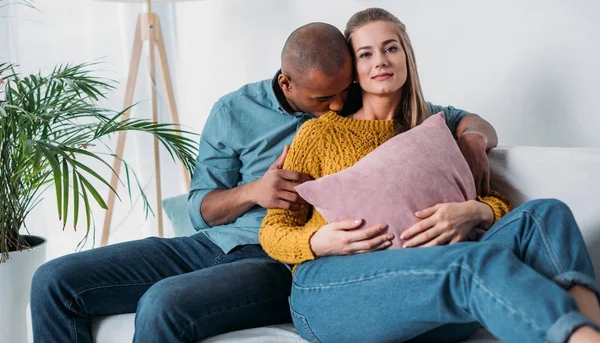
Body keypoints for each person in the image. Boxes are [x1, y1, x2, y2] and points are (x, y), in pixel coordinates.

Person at [30, 22, 498, 343]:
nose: (336, 106)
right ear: (287, 83)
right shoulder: (235, 111)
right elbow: (199, 208)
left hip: (277, 257)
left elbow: (457, 119)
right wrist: (254, 191)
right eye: (321, 97)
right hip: (212, 242)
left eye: (342, 92)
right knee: (53, 280)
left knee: (164, 304)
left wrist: (474, 142)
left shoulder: (366, 104)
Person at [259, 8, 600, 343]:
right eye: (365, 54)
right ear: (351, 71)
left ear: (407, 56)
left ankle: (591, 328)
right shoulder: (317, 136)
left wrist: (474, 212)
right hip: (333, 290)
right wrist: (317, 242)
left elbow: (487, 193)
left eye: (390, 48)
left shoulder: (432, 127)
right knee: (468, 262)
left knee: (546, 215)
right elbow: (273, 230)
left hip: (428, 293)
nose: (380, 60)